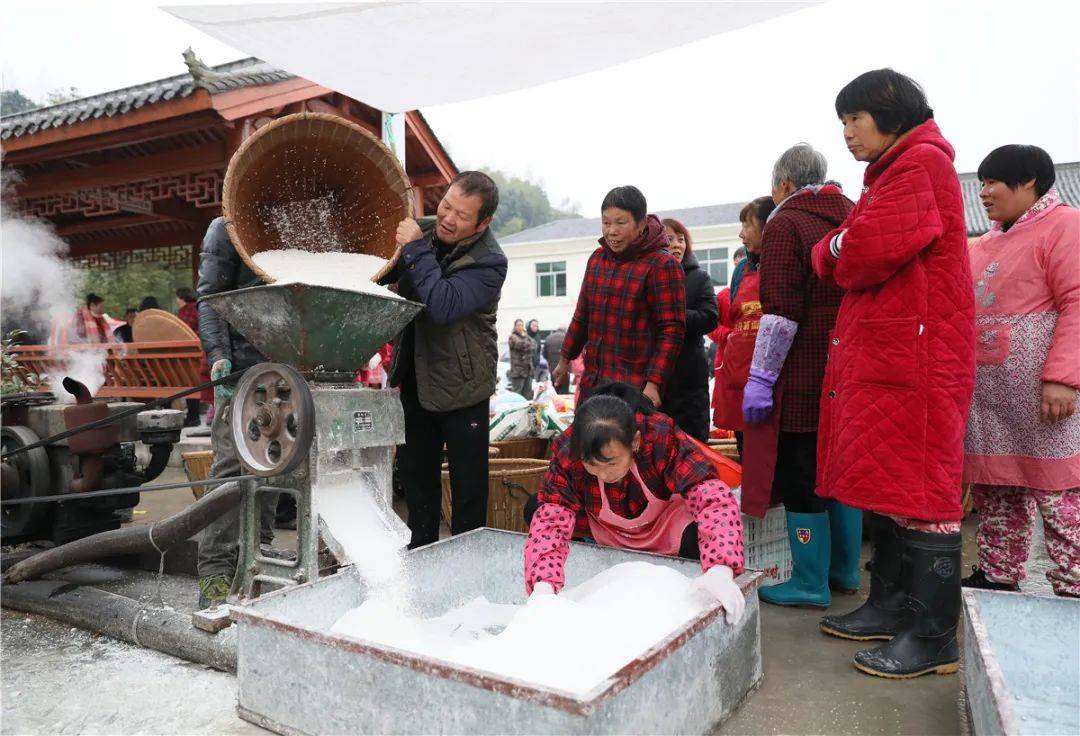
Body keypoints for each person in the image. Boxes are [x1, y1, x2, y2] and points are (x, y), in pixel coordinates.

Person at [812, 69, 975, 679]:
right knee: (892, 484)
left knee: (925, 491)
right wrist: (842, 242)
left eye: (855, 119)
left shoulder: (919, 165)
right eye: (844, 122)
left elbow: (859, 254)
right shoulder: (894, 171)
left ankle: (933, 636)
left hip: (919, 360)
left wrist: (830, 247)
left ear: (892, 113)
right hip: (899, 354)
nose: (848, 134)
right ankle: (888, 606)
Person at [739, 145, 860, 611]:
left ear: (784, 186)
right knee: (840, 473)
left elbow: (781, 311)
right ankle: (844, 571)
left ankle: (810, 582)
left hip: (804, 374)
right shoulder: (851, 213)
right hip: (848, 369)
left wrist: (762, 377)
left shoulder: (786, 222)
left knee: (800, 475)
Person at [523, 383, 746, 624]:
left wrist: (720, 568)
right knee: (537, 507)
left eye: (611, 463)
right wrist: (543, 587)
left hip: (665, 527)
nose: (603, 475)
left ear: (635, 442)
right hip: (605, 528)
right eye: (591, 465)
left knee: (698, 536)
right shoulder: (569, 451)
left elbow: (712, 496)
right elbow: (551, 521)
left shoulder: (660, 436)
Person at [963, 144, 1079, 598]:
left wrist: (1063, 378)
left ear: (1028, 181)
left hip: (1043, 394)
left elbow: (1076, 303)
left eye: (993, 182)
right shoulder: (985, 242)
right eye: (982, 183)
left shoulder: (1065, 225)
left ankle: (1072, 580)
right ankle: (998, 572)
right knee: (996, 488)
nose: (984, 193)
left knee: (1059, 491)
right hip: (989, 394)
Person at [384, 171, 508, 548]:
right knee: (417, 480)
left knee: (467, 489)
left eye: (462, 215)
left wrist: (415, 250)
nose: (448, 219)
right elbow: (378, 264)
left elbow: (442, 305)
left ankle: (467, 567)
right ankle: (421, 557)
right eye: (446, 206)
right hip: (416, 377)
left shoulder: (490, 262)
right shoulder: (424, 232)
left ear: (483, 222)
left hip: (463, 386)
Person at [195, 217, 277, 610]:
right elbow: (210, 298)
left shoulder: (293, 223)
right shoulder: (226, 227)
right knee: (229, 474)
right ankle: (214, 581)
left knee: (274, 475)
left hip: (287, 376)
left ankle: (256, 572)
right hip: (240, 373)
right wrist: (220, 356)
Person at [552, 186, 685, 408]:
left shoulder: (662, 265)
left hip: (635, 386)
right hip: (594, 381)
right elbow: (582, 314)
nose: (611, 231)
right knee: (588, 440)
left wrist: (654, 382)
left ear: (641, 224)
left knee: (629, 442)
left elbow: (671, 330)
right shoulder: (597, 259)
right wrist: (565, 359)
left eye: (620, 223)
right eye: (606, 223)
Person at [712, 198, 775, 452]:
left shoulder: (781, 262)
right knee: (746, 454)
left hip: (768, 380)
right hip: (737, 377)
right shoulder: (741, 271)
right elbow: (731, 318)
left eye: (747, 225)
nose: (741, 233)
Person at [659, 218, 718, 441]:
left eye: (681, 239)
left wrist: (674, 315)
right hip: (656, 378)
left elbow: (710, 318)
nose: (676, 244)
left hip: (689, 378)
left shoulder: (699, 278)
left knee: (692, 444)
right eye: (669, 239)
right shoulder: (649, 277)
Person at [176, 287, 204, 427]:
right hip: (203, 352)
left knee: (189, 383)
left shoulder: (185, 311)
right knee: (193, 382)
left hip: (189, 353)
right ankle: (194, 416)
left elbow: (180, 332)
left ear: (181, 298)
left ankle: (192, 416)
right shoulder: (200, 307)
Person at [51, 293, 120, 345]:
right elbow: (81, 335)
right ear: (92, 305)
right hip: (79, 351)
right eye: (101, 306)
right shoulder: (81, 316)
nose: (102, 309)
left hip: (95, 351)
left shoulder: (100, 319)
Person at [508, 318, 537, 399]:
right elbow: (519, 345)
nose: (520, 327)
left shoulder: (526, 336)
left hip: (527, 370)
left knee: (528, 393)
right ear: (515, 327)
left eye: (521, 325)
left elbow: (534, 344)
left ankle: (526, 410)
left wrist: (527, 342)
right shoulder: (512, 337)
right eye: (518, 325)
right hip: (518, 371)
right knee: (517, 394)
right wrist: (528, 343)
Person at [544, 326, 569, 393]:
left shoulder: (548, 338)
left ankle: (556, 400)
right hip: (564, 367)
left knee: (555, 387)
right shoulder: (566, 337)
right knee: (564, 388)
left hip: (552, 367)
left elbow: (544, 355)